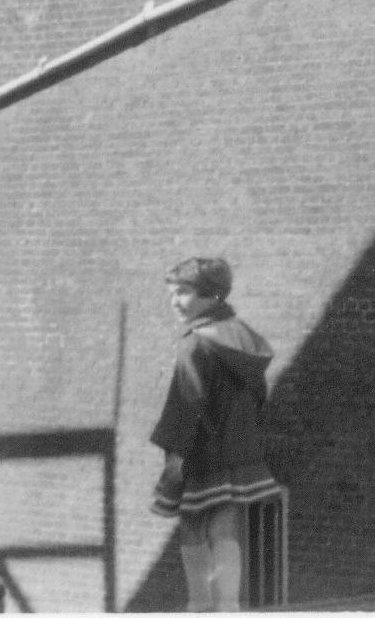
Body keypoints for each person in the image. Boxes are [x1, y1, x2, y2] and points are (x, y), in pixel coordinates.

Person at [150, 257, 280, 611]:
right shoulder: (243, 335)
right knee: (225, 525)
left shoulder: (194, 344)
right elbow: (259, 395)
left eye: (183, 292)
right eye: (172, 293)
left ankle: (199, 605)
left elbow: (185, 406)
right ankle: (229, 607)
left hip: (201, 451)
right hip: (239, 449)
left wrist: (174, 461)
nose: (175, 301)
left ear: (211, 294)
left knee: (192, 524)